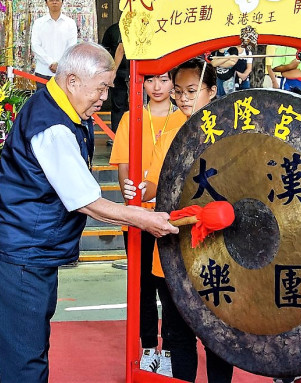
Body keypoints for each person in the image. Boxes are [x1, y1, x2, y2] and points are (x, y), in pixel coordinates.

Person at [0, 41, 178, 383]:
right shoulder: (53, 126)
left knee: (30, 345)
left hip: (32, 248)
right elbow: (85, 200)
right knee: (25, 356)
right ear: (72, 81)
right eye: (101, 87)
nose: (104, 97)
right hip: (21, 253)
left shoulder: (64, 108)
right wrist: (143, 218)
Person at [123, 57, 238, 383]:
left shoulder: (233, 130)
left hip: (218, 251)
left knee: (217, 336)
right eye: (179, 91)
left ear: (212, 91)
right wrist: (143, 189)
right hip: (175, 249)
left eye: (192, 90)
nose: (183, 98)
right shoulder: (171, 131)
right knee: (177, 333)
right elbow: (160, 185)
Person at [109, 68, 186, 375]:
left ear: (173, 84)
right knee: (141, 287)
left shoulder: (184, 120)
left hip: (170, 217)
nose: (157, 86)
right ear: (140, 83)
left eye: (164, 79)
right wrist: (128, 189)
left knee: (169, 286)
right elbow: (123, 168)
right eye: (151, 79)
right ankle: (145, 347)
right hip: (138, 217)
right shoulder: (130, 118)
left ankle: (167, 350)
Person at [30, 0, 77, 79]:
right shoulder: (38, 23)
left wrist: (59, 64)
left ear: (62, 2)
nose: (54, 2)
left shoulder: (70, 23)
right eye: (51, 0)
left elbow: (72, 47)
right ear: (46, 3)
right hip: (43, 71)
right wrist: (50, 62)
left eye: (57, 0)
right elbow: (35, 46)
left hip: (64, 72)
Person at [99, 21, 129, 131]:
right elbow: (108, 50)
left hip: (132, 73)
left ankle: (118, 135)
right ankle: (117, 135)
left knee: (119, 106)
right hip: (121, 74)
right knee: (119, 105)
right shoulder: (113, 30)